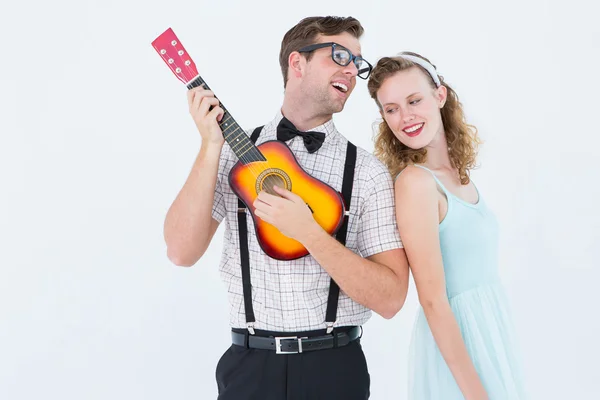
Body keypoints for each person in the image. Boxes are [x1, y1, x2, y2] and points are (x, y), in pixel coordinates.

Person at [163, 16, 410, 399]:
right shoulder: (231, 153)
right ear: (297, 63)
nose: (352, 70)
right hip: (249, 366)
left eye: (357, 63)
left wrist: (310, 233)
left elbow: (392, 299)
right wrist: (211, 145)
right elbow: (180, 251)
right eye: (340, 55)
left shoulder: (367, 173)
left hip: (335, 367)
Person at [367, 53, 526, 400]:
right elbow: (433, 300)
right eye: (391, 108)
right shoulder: (415, 183)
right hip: (457, 349)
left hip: (489, 335)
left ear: (440, 96)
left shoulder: (458, 178)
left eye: (414, 100)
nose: (404, 117)